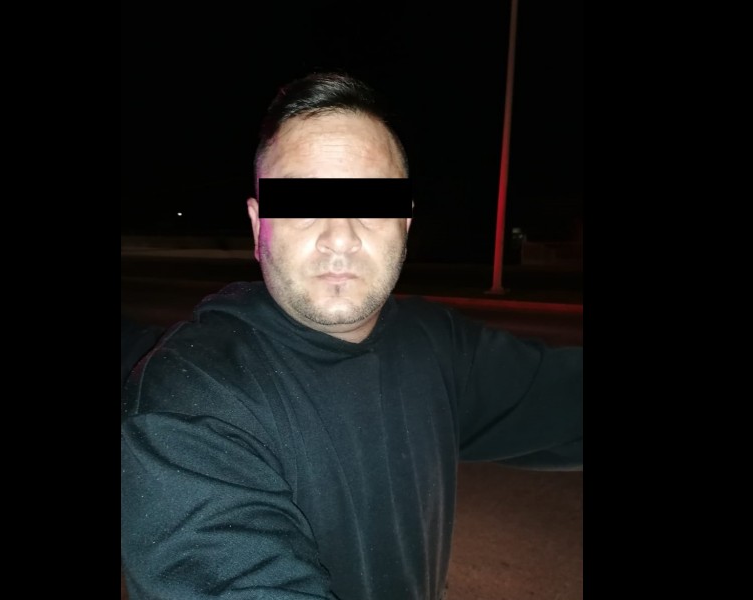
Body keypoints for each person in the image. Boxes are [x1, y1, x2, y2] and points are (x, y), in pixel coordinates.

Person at [120, 71, 582, 600]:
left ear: (405, 224)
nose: (339, 236)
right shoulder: (188, 405)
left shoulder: (436, 345)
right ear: (257, 224)